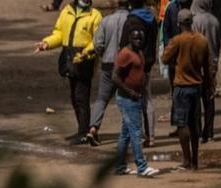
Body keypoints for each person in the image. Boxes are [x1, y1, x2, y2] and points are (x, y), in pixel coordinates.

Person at [35, 0, 104, 145]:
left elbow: (97, 40)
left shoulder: (95, 15)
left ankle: (84, 132)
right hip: (69, 59)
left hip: (84, 61)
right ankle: (83, 130)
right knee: (74, 97)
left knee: (81, 97)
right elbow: (59, 34)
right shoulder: (66, 11)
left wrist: (85, 53)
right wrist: (46, 44)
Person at [162, 9, 214, 168]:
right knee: (194, 124)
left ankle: (186, 160)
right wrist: (208, 86)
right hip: (197, 86)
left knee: (182, 124)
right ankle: (195, 160)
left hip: (181, 86)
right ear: (191, 22)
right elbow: (207, 66)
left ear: (179, 24)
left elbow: (164, 59)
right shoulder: (202, 40)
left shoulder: (177, 40)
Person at [114, 29, 162, 175]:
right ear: (129, 38)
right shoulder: (125, 54)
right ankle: (142, 166)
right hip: (127, 98)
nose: (138, 41)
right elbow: (115, 77)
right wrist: (130, 92)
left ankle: (120, 166)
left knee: (126, 134)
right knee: (136, 132)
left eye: (140, 39)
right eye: (135, 39)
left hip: (136, 97)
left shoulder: (139, 52)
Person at [87, 0, 131, 144]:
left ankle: (93, 128)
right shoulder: (131, 20)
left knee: (102, 98)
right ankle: (129, 131)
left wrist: (104, 54)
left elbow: (98, 43)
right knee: (126, 99)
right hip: (125, 65)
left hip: (107, 63)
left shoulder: (106, 20)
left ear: (117, 5)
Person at [123, 0, 161, 144]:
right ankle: (150, 136)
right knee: (147, 100)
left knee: (131, 101)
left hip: (133, 66)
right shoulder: (151, 19)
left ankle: (135, 136)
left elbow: (123, 44)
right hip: (147, 64)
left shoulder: (131, 20)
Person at [194, 0, 221, 140]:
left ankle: (199, 133)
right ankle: (210, 133)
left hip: (198, 64)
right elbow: (218, 43)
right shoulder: (215, 21)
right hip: (212, 64)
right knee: (209, 99)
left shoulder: (195, 21)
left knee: (197, 101)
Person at [163, 0, 195, 125]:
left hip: (189, 56)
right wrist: (169, 48)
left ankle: (188, 123)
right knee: (176, 90)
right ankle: (178, 122)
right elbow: (166, 30)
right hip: (174, 57)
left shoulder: (194, 6)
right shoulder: (171, 8)